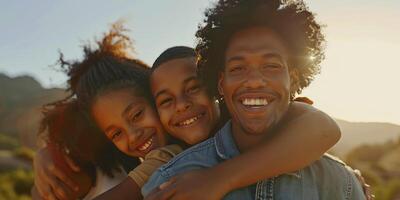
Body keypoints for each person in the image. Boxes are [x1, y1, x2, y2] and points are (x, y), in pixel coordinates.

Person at [142, 0, 366, 199]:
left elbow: (324, 128)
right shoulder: (172, 181)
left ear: (294, 81)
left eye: (271, 66)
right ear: (221, 83)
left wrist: (218, 179)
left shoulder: (339, 183)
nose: (255, 81)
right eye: (238, 68)